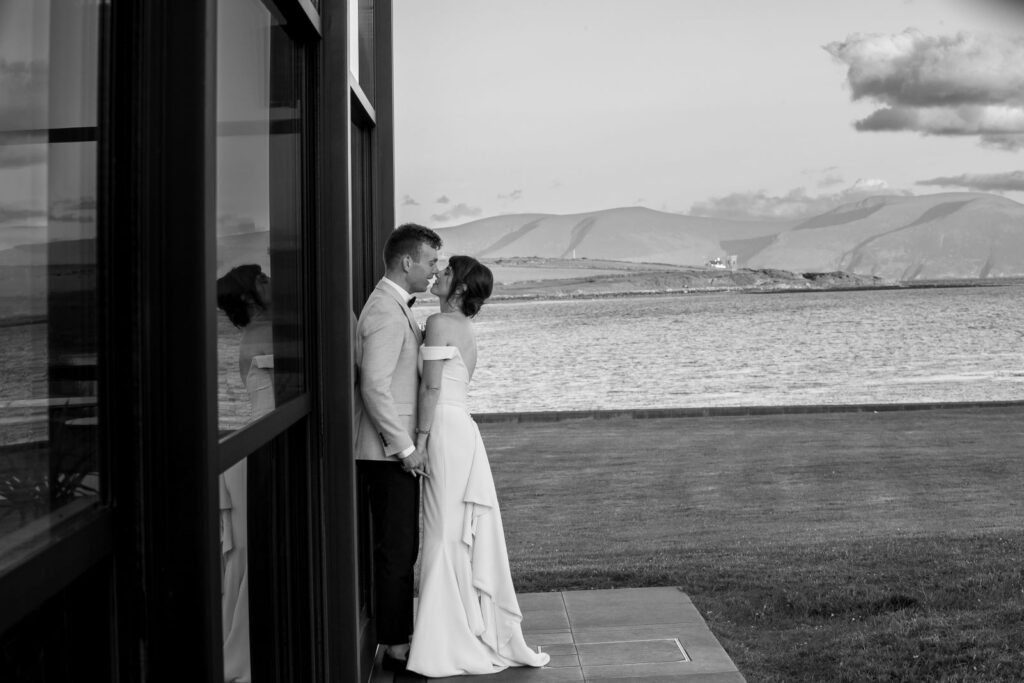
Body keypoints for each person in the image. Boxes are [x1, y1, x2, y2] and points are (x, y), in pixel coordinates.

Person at [406, 255, 550, 677]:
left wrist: (419, 441)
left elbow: (432, 387)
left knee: (442, 532)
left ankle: (446, 638)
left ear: (462, 289)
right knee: (450, 532)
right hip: (461, 428)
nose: (438, 275)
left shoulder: (439, 324)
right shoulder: (463, 328)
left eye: (447, 273)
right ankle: (458, 628)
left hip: (443, 432)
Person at [353, 223, 442, 671]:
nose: (434, 271)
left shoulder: (395, 306)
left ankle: (395, 635)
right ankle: (394, 643)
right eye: (430, 261)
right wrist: (405, 448)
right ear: (407, 261)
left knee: (400, 545)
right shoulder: (386, 311)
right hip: (385, 453)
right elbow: (374, 386)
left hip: (387, 451)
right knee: (396, 548)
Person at [216, 263, 275, 683]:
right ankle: (246, 648)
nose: (273, 283)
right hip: (262, 447)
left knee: (253, 554)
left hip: (260, 443)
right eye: (264, 280)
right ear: (251, 295)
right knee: (259, 553)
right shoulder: (263, 333)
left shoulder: (260, 331)